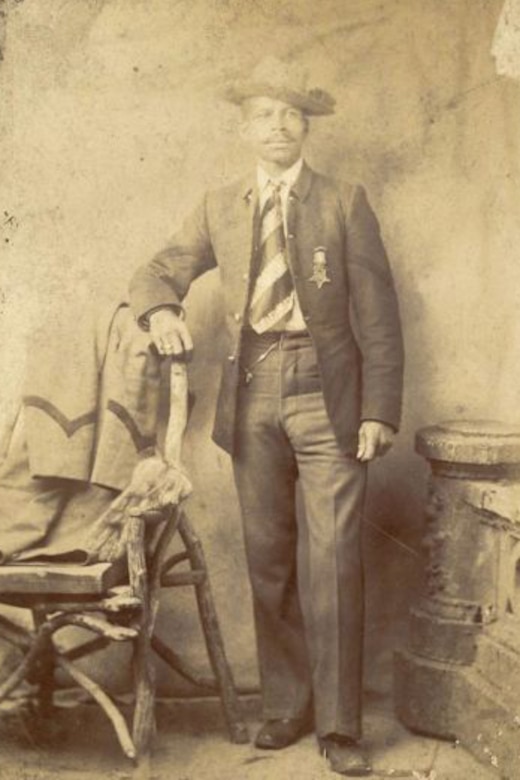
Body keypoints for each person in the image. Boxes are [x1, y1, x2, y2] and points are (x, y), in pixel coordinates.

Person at [129, 56, 404, 777]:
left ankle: (341, 726)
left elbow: (379, 316)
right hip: (249, 396)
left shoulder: (344, 200)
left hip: (327, 395)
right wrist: (160, 309)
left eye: (289, 114)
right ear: (243, 128)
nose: (275, 127)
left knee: (334, 557)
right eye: (262, 115)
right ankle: (288, 705)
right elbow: (159, 268)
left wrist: (378, 410)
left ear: (305, 126)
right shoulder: (220, 204)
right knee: (268, 559)